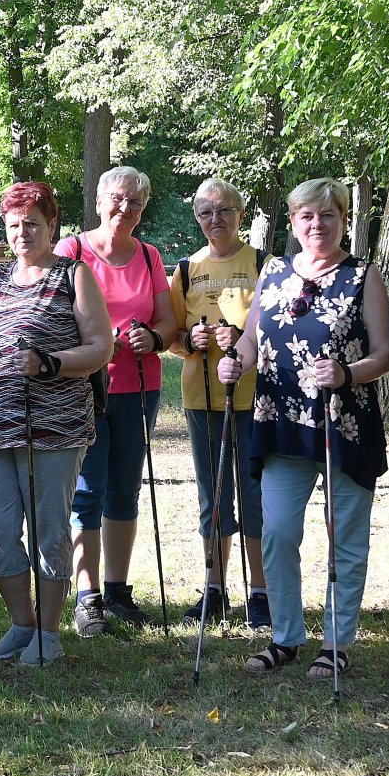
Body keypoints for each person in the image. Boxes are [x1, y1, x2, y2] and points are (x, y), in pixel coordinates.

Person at [218, 178, 389, 679]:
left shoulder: (363, 276)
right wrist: (235, 363)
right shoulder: (272, 272)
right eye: (307, 217)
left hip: (344, 426)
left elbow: (384, 354)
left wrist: (347, 374)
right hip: (280, 424)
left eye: (328, 215)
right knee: (275, 532)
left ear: (343, 220)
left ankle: (336, 643)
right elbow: (252, 342)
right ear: (293, 223)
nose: (317, 225)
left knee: (345, 537)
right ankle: (286, 637)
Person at [0, 182, 114, 665]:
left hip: (55, 428)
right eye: (13, 224)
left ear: (52, 226)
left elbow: (99, 347)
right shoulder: (1, 277)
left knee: (50, 531)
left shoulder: (74, 275)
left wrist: (49, 362)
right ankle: (21, 624)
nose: (22, 232)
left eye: (32, 223)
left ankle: (49, 633)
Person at [56, 165, 180, 635]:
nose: (124, 208)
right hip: (83, 388)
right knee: (87, 490)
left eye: (135, 202)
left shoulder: (149, 256)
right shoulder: (73, 251)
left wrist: (153, 336)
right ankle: (86, 597)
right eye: (118, 198)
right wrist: (94, 340)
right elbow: (53, 313)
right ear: (100, 200)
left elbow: (168, 323)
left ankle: (117, 591)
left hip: (139, 389)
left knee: (125, 489)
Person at [167, 177, 267, 627]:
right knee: (213, 496)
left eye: (224, 210)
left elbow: (278, 331)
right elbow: (171, 338)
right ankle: (215, 588)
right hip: (201, 397)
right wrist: (193, 338)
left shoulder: (264, 263)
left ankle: (261, 591)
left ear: (240, 215)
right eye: (206, 213)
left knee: (254, 495)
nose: (215, 220)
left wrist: (242, 339)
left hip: (255, 398)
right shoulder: (186, 269)